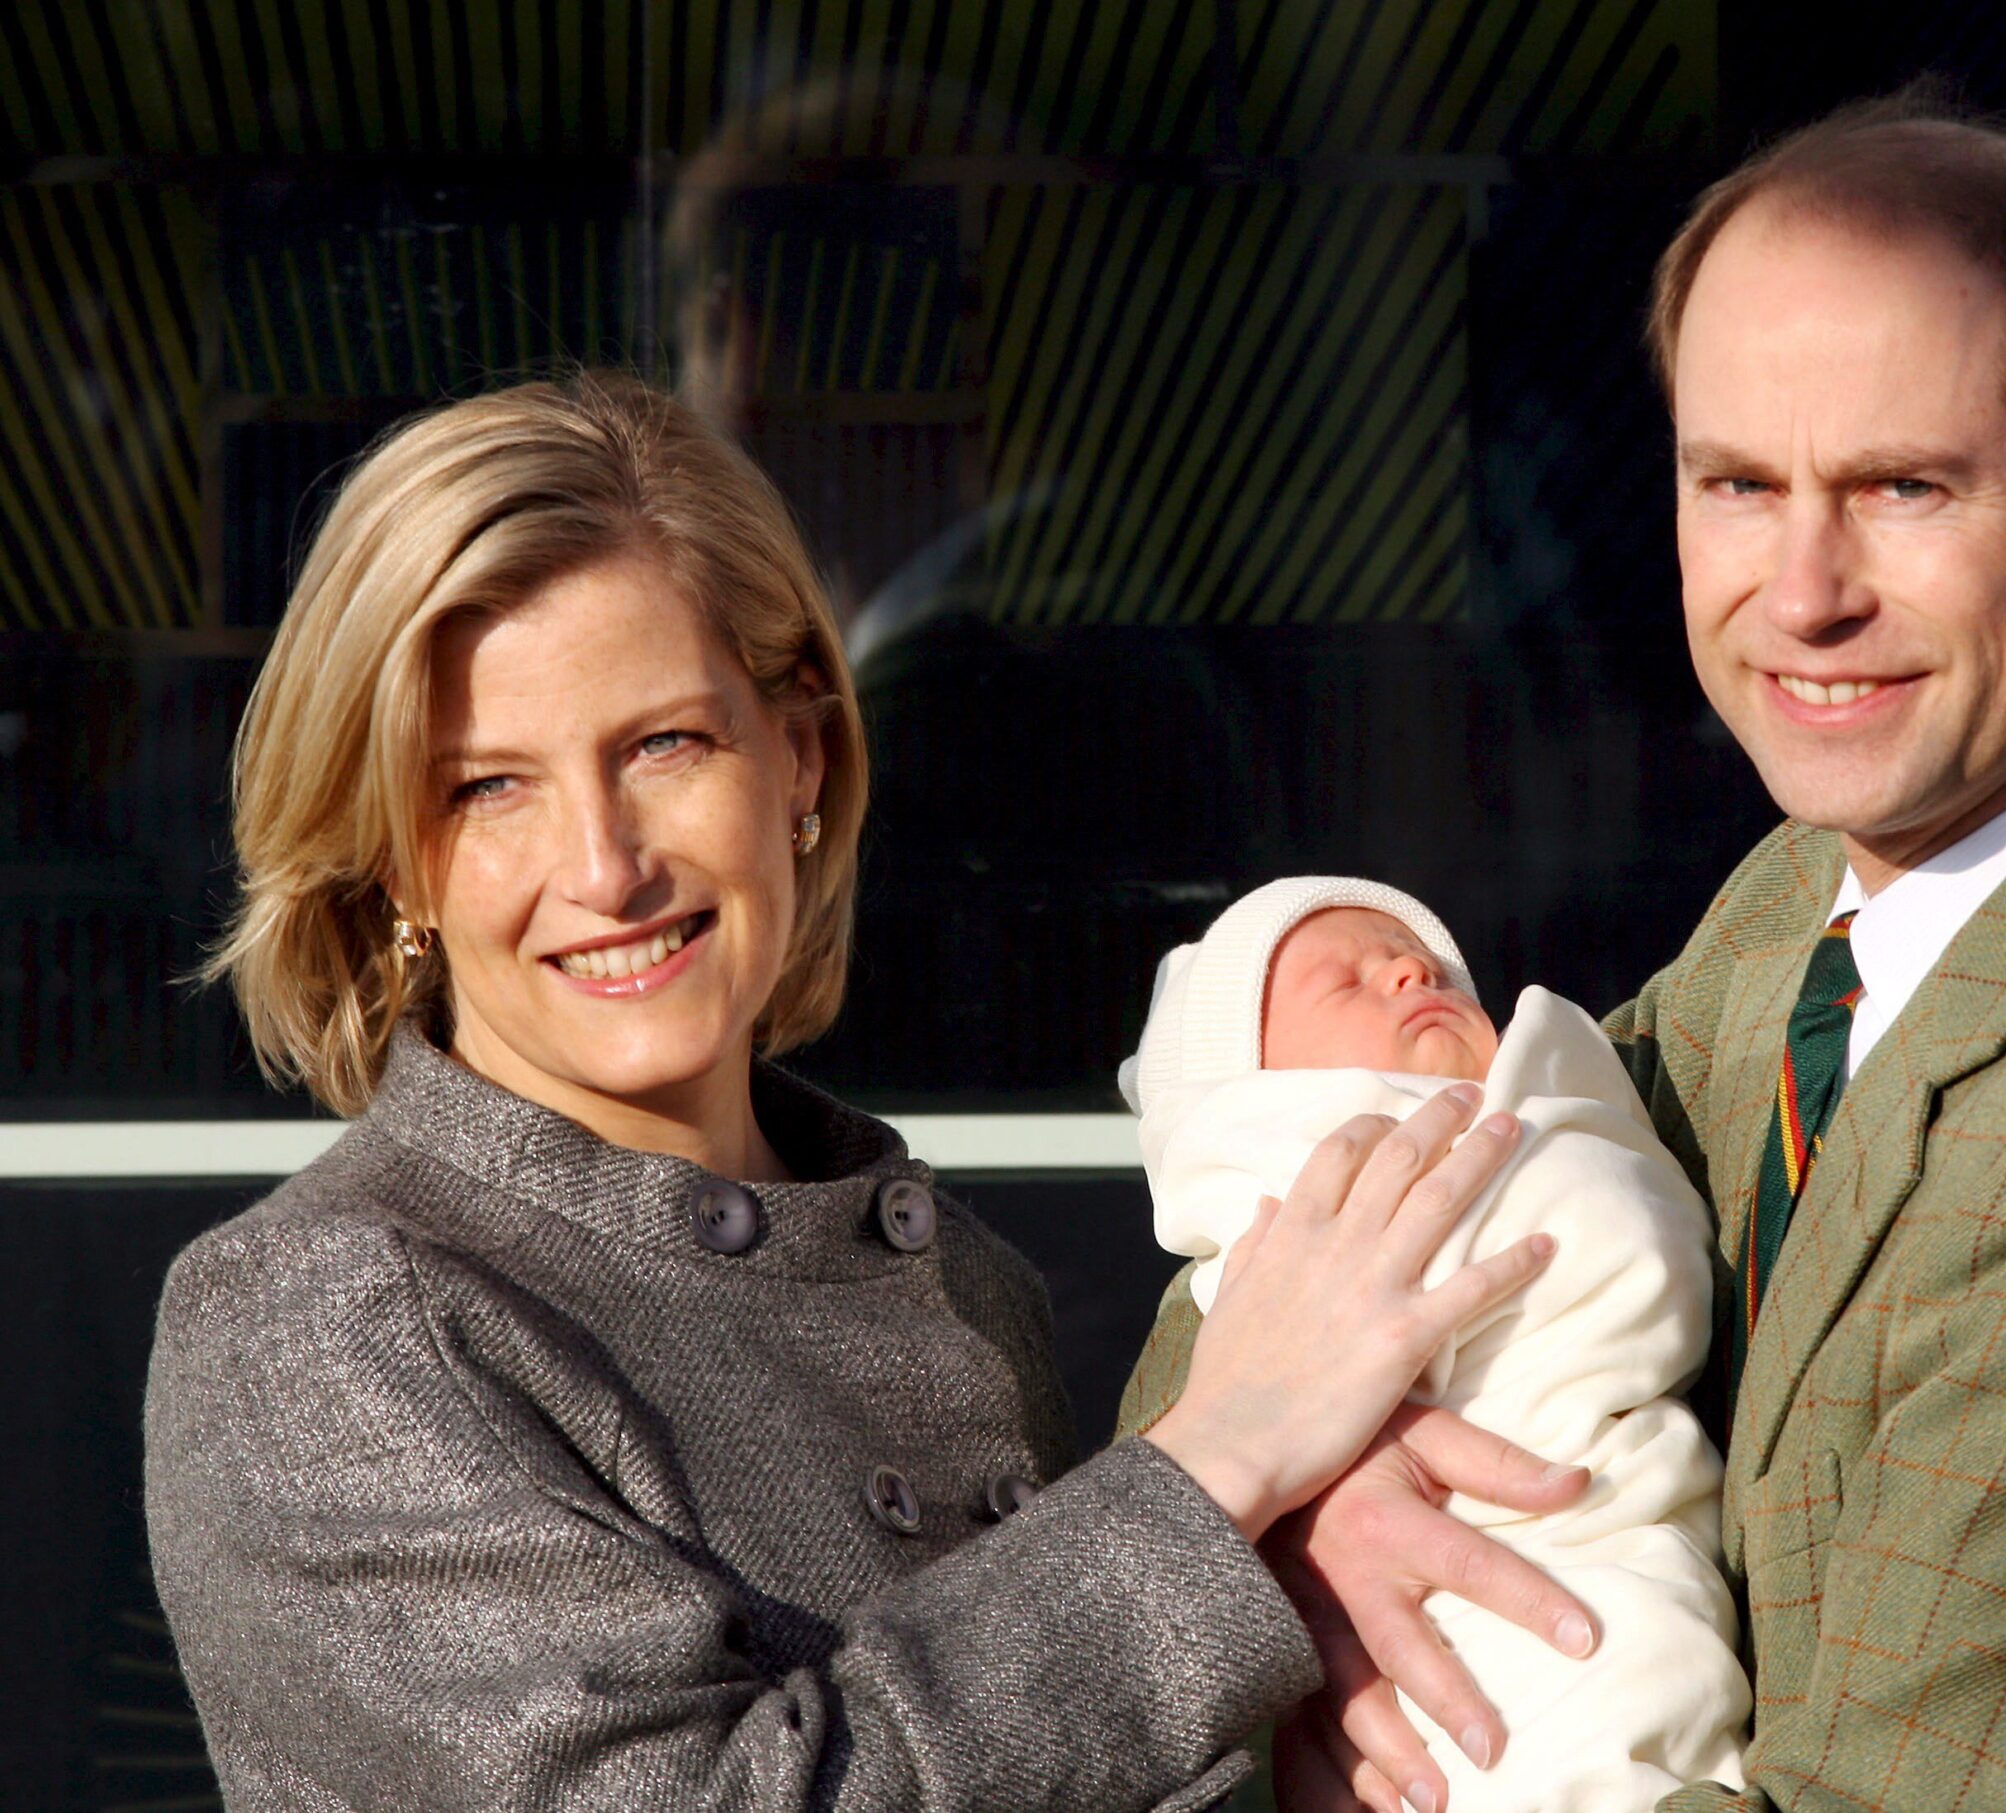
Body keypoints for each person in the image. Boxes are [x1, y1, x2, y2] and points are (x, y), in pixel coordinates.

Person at [1119, 92, 2006, 1813]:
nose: (1804, 591)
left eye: (1905, 487)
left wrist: (1263, 1516)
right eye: (1738, 484)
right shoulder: (1819, 894)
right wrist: (1319, 1495)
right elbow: (1312, 1190)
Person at [141, 371, 1570, 1811]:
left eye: (663, 745)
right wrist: (1219, 1469)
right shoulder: (320, 1320)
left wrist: (1307, 1564)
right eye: (486, 788)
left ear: (801, 758)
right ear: (397, 861)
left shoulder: (961, 1283)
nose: (605, 865)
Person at [1122, 877, 1750, 1810]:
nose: (1410, 967)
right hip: (1482, 1640)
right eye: (1348, 981)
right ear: (1255, 1093)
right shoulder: (1300, 1204)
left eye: (1415, 959)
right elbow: (1229, 1386)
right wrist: (1277, 1499)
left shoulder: (1605, 1095)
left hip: (1630, 1547)